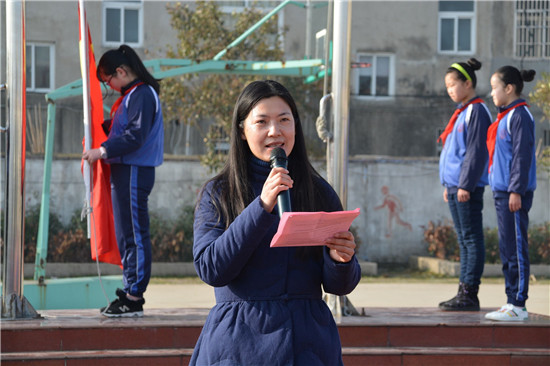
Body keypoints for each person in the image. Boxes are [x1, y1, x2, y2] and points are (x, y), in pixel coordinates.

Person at [191, 80, 361, 365]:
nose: (275, 131)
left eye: (284, 120)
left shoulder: (318, 191)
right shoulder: (219, 192)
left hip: (306, 343)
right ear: (242, 131)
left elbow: (339, 286)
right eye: (262, 122)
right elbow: (211, 269)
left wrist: (341, 260)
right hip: (238, 342)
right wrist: (261, 206)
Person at [82, 44, 164, 317]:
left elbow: (135, 135)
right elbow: (122, 128)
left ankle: (134, 295)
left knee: (134, 234)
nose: (110, 86)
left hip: (134, 170)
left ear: (120, 71)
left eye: (108, 81)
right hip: (126, 170)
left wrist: (102, 150)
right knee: (126, 234)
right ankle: (130, 288)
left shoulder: (141, 94)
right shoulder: (131, 96)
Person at [437, 58, 492, 312]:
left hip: (465, 188)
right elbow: (452, 151)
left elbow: (476, 152)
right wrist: (447, 184)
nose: (450, 90)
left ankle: (470, 292)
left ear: (467, 83)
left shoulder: (477, 111)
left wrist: (465, 185)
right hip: (455, 186)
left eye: (452, 85)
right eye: (447, 86)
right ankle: (463, 291)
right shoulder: (462, 111)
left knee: (471, 239)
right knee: (464, 240)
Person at [485, 66, 537, 321]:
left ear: (509, 88)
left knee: (516, 247)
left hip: (513, 193)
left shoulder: (520, 116)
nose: (491, 92)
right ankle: (510, 300)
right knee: (506, 248)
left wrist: (516, 190)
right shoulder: (504, 116)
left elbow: (522, 157)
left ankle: (519, 304)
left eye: (495, 87)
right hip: (502, 191)